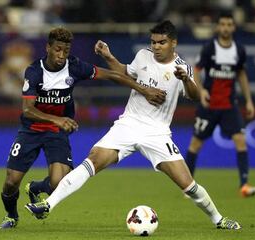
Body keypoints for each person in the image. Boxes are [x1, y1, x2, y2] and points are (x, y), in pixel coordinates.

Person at [26, 20, 242, 230]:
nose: (156, 47)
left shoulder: (182, 68)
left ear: (173, 43)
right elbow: (125, 72)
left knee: (189, 185)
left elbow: (195, 95)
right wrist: (109, 57)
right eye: (153, 42)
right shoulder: (143, 56)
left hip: (157, 133)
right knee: (93, 160)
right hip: (128, 124)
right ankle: (47, 205)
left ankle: (219, 220)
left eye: (161, 42)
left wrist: (185, 79)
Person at [0, 26, 166, 229]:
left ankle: (35, 187)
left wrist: (144, 90)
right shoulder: (34, 71)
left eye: (65, 51)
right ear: (48, 48)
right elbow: (27, 110)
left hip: (56, 133)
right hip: (31, 130)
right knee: (11, 182)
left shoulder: (74, 67)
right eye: (57, 49)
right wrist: (58, 119)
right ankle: (11, 216)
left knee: (59, 182)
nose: (61, 55)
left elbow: (112, 75)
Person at [184, 12, 255, 197]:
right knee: (195, 144)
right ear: (218, 27)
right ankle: (187, 185)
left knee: (240, 141)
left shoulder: (239, 50)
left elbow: (241, 74)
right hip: (209, 106)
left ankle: (244, 185)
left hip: (229, 106)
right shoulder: (210, 48)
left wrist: (248, 100)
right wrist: (201, 91)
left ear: (233, 27)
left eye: (229, 24)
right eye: (222, 24)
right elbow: (196, 70)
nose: (225, 27)